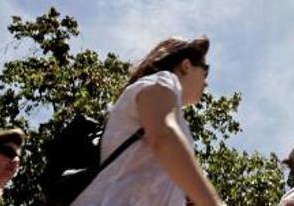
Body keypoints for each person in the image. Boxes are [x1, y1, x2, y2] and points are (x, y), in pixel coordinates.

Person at [72, 36, 223, 206]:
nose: (206, 82)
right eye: (206, 70)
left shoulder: (173, 113)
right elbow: (163, 137)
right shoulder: (163, 81)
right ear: (186, 66)